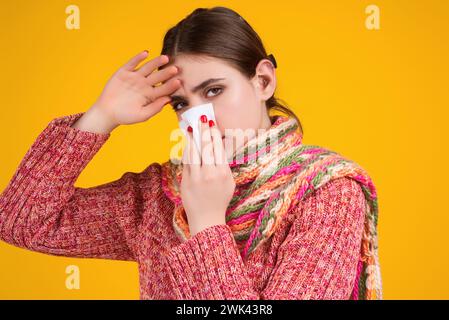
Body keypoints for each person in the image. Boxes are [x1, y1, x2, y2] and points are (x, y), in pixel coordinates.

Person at [0, 6, 382, 300]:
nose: (201, 118)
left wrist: (206, 222)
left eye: (214, 90)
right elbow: (23, 222)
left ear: (263, 80)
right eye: (182, 104)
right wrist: (101, 117)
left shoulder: (327, 192)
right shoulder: (157, 196)